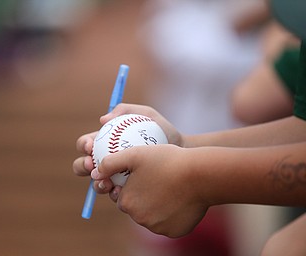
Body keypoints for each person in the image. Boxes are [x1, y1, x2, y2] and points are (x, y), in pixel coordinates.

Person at [73, 0, 306, 254]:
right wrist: (184, 146)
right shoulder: (171, 17)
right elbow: (301, 131)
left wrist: (194, 175)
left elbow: (251, 98)